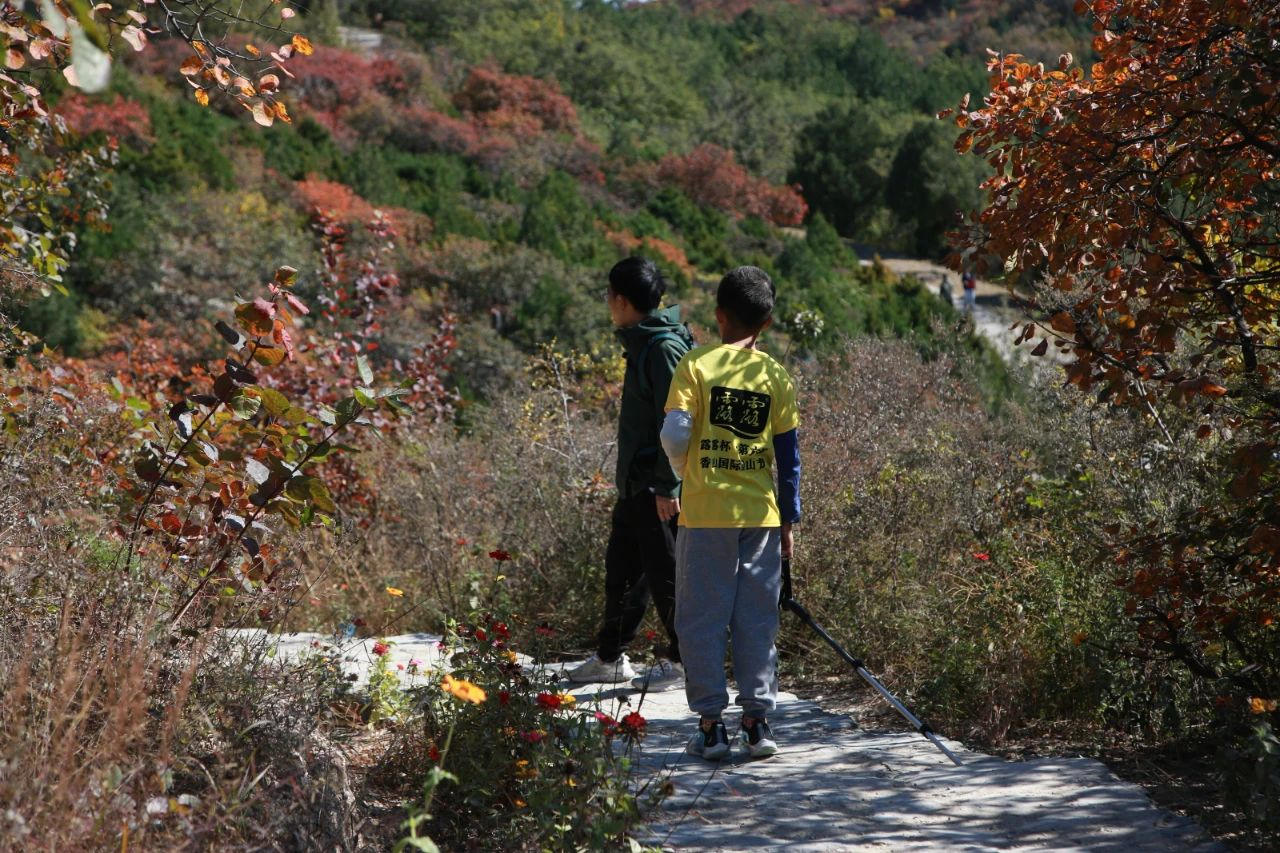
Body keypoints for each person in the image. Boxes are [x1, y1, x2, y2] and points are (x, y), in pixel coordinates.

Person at [659, 266, 801, 760]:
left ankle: (711, 726)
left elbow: (674, 434)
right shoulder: (775, 376)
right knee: (756, 619)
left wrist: (685, 470)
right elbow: (789, 461)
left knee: (701, 618)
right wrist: (788, 520)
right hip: (760, 517)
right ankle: (758, 725)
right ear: (766, 323)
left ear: (718, 314)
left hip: (704, 515)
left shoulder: (695, 366)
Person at [567, 257, 693, 692]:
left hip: (658, 485)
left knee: (667, 572)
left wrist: (666, 484)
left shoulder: (661, 349)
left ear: (620, 300)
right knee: (622, 570)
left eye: (608, 295)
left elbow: (680, 421)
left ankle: (685, 662)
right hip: (636, 484)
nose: (608, 303)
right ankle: (609, 657)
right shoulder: (644, 342)